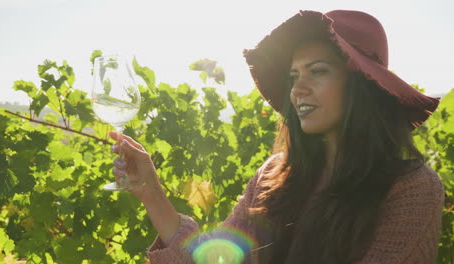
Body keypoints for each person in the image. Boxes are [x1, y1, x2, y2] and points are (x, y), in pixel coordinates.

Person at [110, 10, 445, 263]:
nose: (297, 89)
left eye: (318, 71)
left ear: (362, 87)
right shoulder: (274, 175)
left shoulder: (412, 189)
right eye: (294, 75)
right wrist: (151, 192)